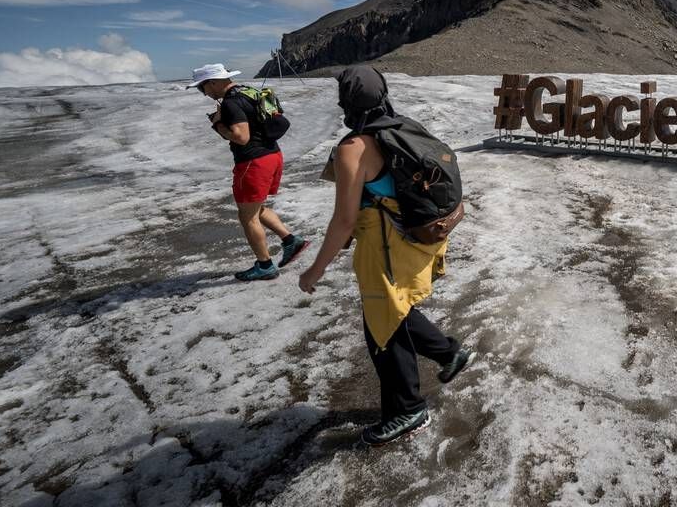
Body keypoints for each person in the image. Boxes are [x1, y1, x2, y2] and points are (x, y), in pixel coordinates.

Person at [298, 65, 470, 446]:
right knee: (396, 309)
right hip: (415, 238)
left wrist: (314, 270)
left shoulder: (353, 148)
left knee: (383, 329)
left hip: (384, 249)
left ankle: (408, 411)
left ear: (346, 101)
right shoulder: (402, 127)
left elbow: (344, 221)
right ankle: (449, 353)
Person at [187, 63, 308, 281]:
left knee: (247, 216)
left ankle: (265, 265)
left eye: (201, 87)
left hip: (253, 162)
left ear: (213, 83)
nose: (203, 93)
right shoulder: (249, 92)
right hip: (272, 155)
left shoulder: (231, 103)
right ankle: (291, 241)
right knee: (257, 208)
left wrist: (217, 125)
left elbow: (241, 137)